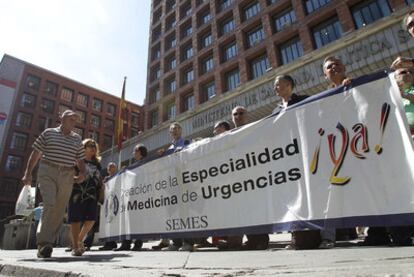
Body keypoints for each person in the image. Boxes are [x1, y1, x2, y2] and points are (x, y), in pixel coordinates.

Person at [22, 109, 86, 258]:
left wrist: (82, 173)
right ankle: (44, 243)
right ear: (61, 118)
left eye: (75, 120)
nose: (73, 121)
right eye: (70, 118)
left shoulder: (77, 139)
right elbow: (36, 153)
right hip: (47, 170)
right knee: (49, 204)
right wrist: (28, 173)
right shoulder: (49, 132)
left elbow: (80, 160)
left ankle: (47, 243)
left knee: (59, 208)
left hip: (67, 174)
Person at [232, 106, 270, 250]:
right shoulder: (227, 136)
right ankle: (250, 240)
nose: (238, 116)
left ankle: (260, 241)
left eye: (241, 113)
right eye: (235, 114)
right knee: (243, 211)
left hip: (253, 178)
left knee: (256, 210)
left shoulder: (254, 130)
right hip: (237, 181)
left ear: (247, 115)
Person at [68, 139, 103, 256]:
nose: (93, 147)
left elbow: (99, 179)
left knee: (92, 219)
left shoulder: (97, 164)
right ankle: (76, 247)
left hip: (92, 194)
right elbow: (69, 174)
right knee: (76, 219)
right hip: (77, 192)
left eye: (94, 146)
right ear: (84, 147)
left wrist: (101, 189)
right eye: (89, 145)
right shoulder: (78, 160)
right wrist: (75, 178)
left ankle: (78, 240)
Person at [114, 144, 148, 251]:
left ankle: (138, 242)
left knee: (139, 220)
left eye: (135, 151)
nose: (133, 153)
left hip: (141, 195)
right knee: (128, 219)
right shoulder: (133, 166)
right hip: (131, 195)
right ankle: (126, 243)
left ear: (140, 152)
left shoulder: (147, 163)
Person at [98, 162, 119, 251]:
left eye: (112, 167)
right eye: (109, 168)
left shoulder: (119, 177)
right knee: (108, 223)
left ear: (116, 169)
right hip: (108, 204)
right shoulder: (106, 180)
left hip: (116, 204)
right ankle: (109, 242)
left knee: (114, 223)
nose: (110, 169)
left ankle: (112, 242)